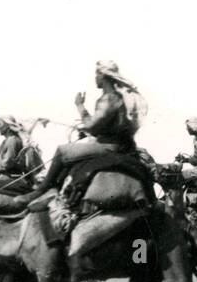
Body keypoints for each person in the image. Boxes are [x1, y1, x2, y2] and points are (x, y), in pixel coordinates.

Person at [29, 60, 150, 203]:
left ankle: (41, 189)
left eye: (96, 75)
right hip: (117, 145)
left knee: (62, 151)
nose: (95, 79)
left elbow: (92, 126)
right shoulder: (117, 98)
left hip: (109, 146)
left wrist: (80, 106)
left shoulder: (109, 98)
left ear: (103, 75)